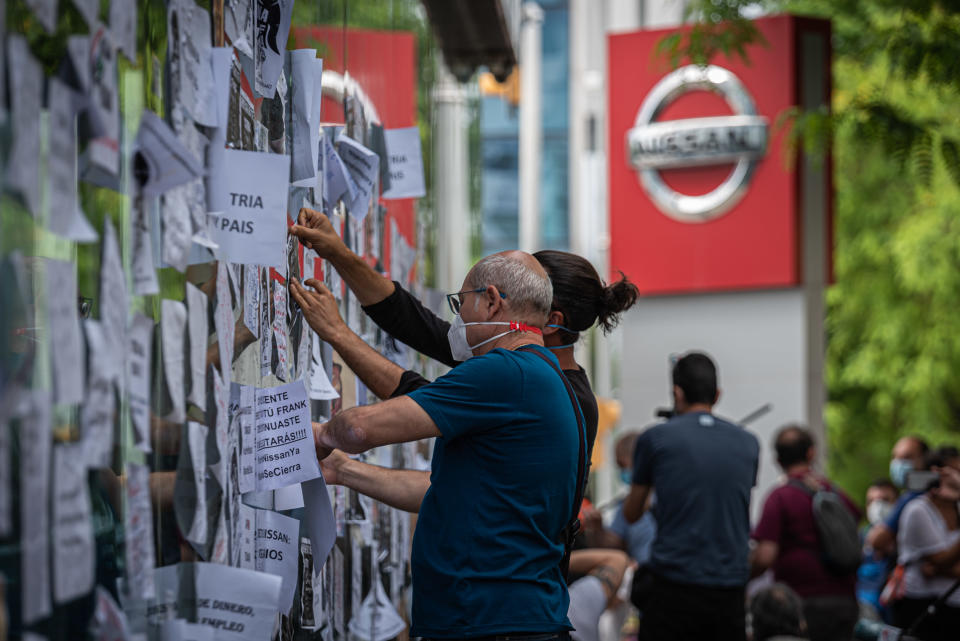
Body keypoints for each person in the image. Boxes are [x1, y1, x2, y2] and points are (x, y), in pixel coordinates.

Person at [304, 251, 582, 640]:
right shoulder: (539, 375)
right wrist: (342, 470)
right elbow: (442, 490)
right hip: (499, 618)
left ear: (491, 301)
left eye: (460, 302)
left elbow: (359, 429)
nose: (458, 317)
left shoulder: (506, 372)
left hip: (492, 622)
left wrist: (316, 435)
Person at [288, 207, 640, 462]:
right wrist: (337, 253)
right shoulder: (506, 359)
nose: (491, 302)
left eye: (516, 290)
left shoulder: (529, 383)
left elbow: (420, 401)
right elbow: (413, 322)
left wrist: (337, 333)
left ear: (550, 319)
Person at [621, 352, 760, 641]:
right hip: (730, 588)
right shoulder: (749, 443)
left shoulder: (655, 438)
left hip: (673, 586)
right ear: (717, 394)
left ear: (676, 393)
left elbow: (631, 513)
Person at [751, 426, 861, 641]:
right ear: (811, 453)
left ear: (778, 460)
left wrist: (740, 579)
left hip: (801, 605)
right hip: (844, 601)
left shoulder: (779, 497)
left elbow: (765, 555)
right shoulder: (834, 492)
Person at [891, 449, 960, 640]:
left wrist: (939, 568)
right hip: (924, 607)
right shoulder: (917, 510)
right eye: (954, 472)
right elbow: (941, 560)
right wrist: (940, 567)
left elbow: (938, 566)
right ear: (935, 474)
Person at [866, 436, 930, 556]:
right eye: (894, 457)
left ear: (924, 460)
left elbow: (876, 540)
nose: (898, 464)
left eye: (906, 457)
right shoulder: (911, 494)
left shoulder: (914, 496)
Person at [857, 478, 899, 621]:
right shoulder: (859, 537)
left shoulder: (907, 539)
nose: (878, 506)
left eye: (885, 500)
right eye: (872, 501)